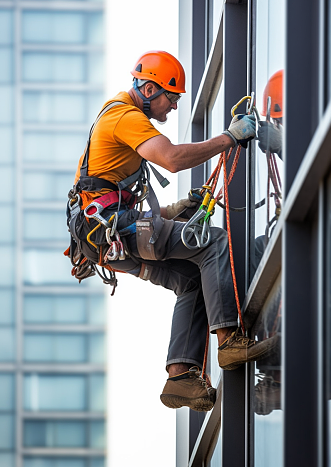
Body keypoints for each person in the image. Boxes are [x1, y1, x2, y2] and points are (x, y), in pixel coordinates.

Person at [67, 50, 278, 413]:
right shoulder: (125, 116)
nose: (174, 107)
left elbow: (109, 198)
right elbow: (173, 159)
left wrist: (175, 210)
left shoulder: (119, 116)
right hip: (114, 231)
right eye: (171, 97)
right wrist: (228, 138)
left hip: (108, 236)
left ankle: (180, 376)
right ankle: (229, 342)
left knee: (194, 279)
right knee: (213, 245)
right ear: (148, 89)